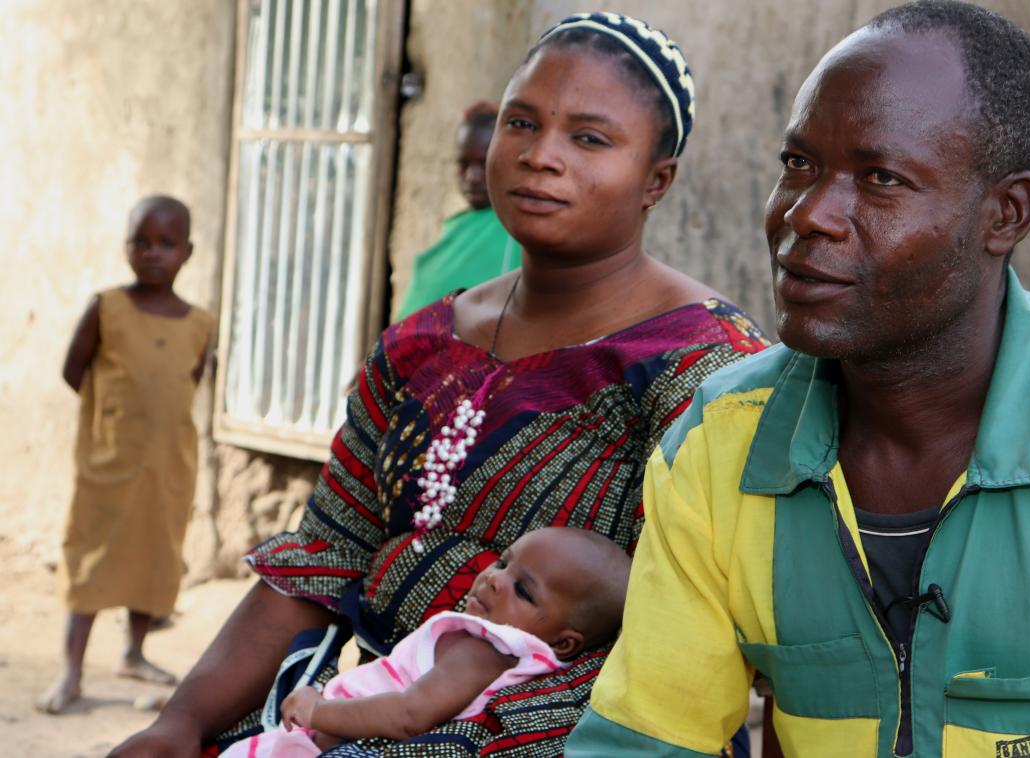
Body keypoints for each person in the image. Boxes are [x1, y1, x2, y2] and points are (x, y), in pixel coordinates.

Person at [567, 2, 1030, 757]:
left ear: (1004, 215)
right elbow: (644, 742)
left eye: (881, 178)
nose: (809, 213)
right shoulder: (720, 450)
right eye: (798, 165)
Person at [110, 12, 766, 757]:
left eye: (589, 138)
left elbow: (672, 649)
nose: (540, 156)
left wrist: (413, 742)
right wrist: (178, 724)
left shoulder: (706, 368)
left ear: (657, 178)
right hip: (374, 719)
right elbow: (326, 557)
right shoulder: (420, 345)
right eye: (522, 122)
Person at [219, 527, 630, 757]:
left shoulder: (485, 649)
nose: (493, 579)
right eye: (504, 563)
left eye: (523, 591)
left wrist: (318, 710)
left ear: (564, 644)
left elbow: (408, 715)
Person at [38, 196, 216, 715]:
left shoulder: (200, 323)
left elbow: (189, 383)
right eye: (142, 242)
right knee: (91, 556)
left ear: (188, 251)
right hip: (109, 463)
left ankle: (134, 652)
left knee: (154, 556)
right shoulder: (107, 307)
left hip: (167, 465)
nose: (153, 253)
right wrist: (112, 416)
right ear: (126, 248)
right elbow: (75, 371)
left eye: (166, 243)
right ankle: (71, 670)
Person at [394, 101, 522, 320]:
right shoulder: (456, 228)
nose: (472, 177)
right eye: (464, 164)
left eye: (484, 164)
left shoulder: (516, 230)